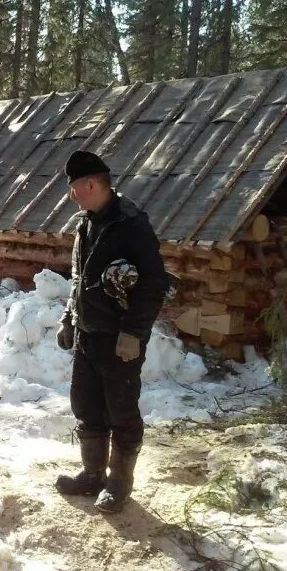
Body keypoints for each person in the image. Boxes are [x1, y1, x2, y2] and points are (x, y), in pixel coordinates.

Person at [54, 150, 170, 513]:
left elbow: (154, 283)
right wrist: (69, 318)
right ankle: (92, 475)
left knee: (121, 411)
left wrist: (134, 333)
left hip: (119, 339)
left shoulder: (131, 224)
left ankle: (119, 483)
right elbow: (79, 279)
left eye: (74, 188)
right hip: (89, 335)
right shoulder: (86, 224)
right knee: (87, 406)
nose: (72, 195)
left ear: (90, 184)